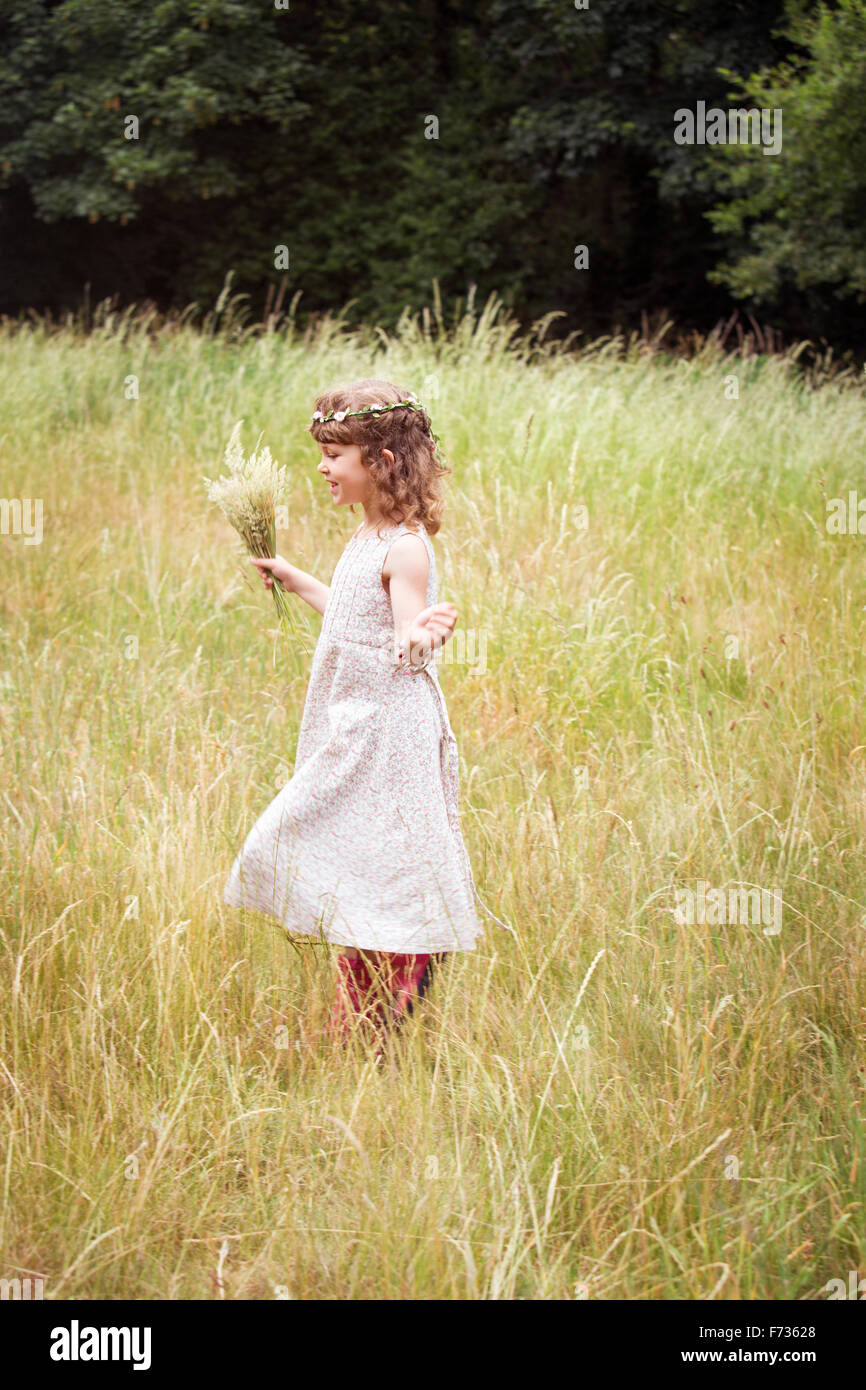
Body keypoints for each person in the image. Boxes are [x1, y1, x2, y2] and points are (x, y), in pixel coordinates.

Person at [222, 378, 510, 1058]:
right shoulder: (365, 534)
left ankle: (390, 1010)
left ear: (380, 462)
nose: (322, 468)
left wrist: (425, 637)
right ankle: (361, 1012)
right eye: (322, 453)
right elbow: (355, 619)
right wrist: (297, 578)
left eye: (334, 455)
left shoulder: (406, 546)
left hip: (388, 727)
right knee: (359, 855)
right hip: (351, 720)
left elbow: (405, 635)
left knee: (387, 860)